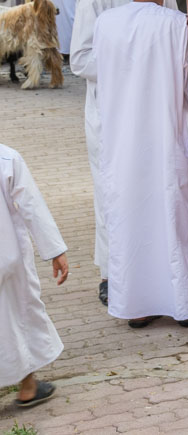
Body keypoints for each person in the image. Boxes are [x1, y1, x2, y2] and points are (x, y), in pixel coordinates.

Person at [93, 0, 188, 328]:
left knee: (129, 221)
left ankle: (136, 307)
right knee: (173, 220)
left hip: (121, 142)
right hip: (165, 140)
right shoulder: (179, 27)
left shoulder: (106, 22)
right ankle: (183, 304)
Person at [70, 0, 168, 305]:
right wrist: (129, 64)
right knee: (112, 191)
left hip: (151, 109)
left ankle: (152, 265)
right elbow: (80, 60)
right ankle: (113, 272)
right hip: (110, 112)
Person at [1, 144, 70, 408]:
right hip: (6, 260)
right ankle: (28, 387)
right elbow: (30, 204)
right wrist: (54, 249)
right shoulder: (6, 157)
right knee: (15, 317)